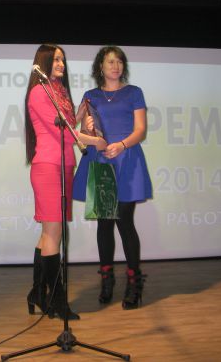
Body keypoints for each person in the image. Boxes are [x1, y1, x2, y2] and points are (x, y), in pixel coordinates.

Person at [24, 43, 106, 321]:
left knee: (49, 233)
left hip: (64, 165)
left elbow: (68, 125)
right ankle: (57, 301)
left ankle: (38, 292)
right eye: (56, 59)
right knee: (53, 235)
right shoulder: (39, 91)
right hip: (48, 167)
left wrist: (80, 115)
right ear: (44, 62)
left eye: (62, 60)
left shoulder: (57, 90)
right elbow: (65, 133)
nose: (61, 64)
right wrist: (95, 141)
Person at [73, 45, 153, 310]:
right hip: (101, 162)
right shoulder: (90, 96)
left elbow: (140, 130)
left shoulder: (134, 92)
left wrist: (121, 145)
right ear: (100, 66)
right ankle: (106, 280)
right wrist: (88, 129)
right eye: (110, 61)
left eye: (119, 61)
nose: (116, 66)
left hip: (127, 160)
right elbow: (83, 133)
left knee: (125, 222)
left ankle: (134, 283)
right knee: (105, 223)